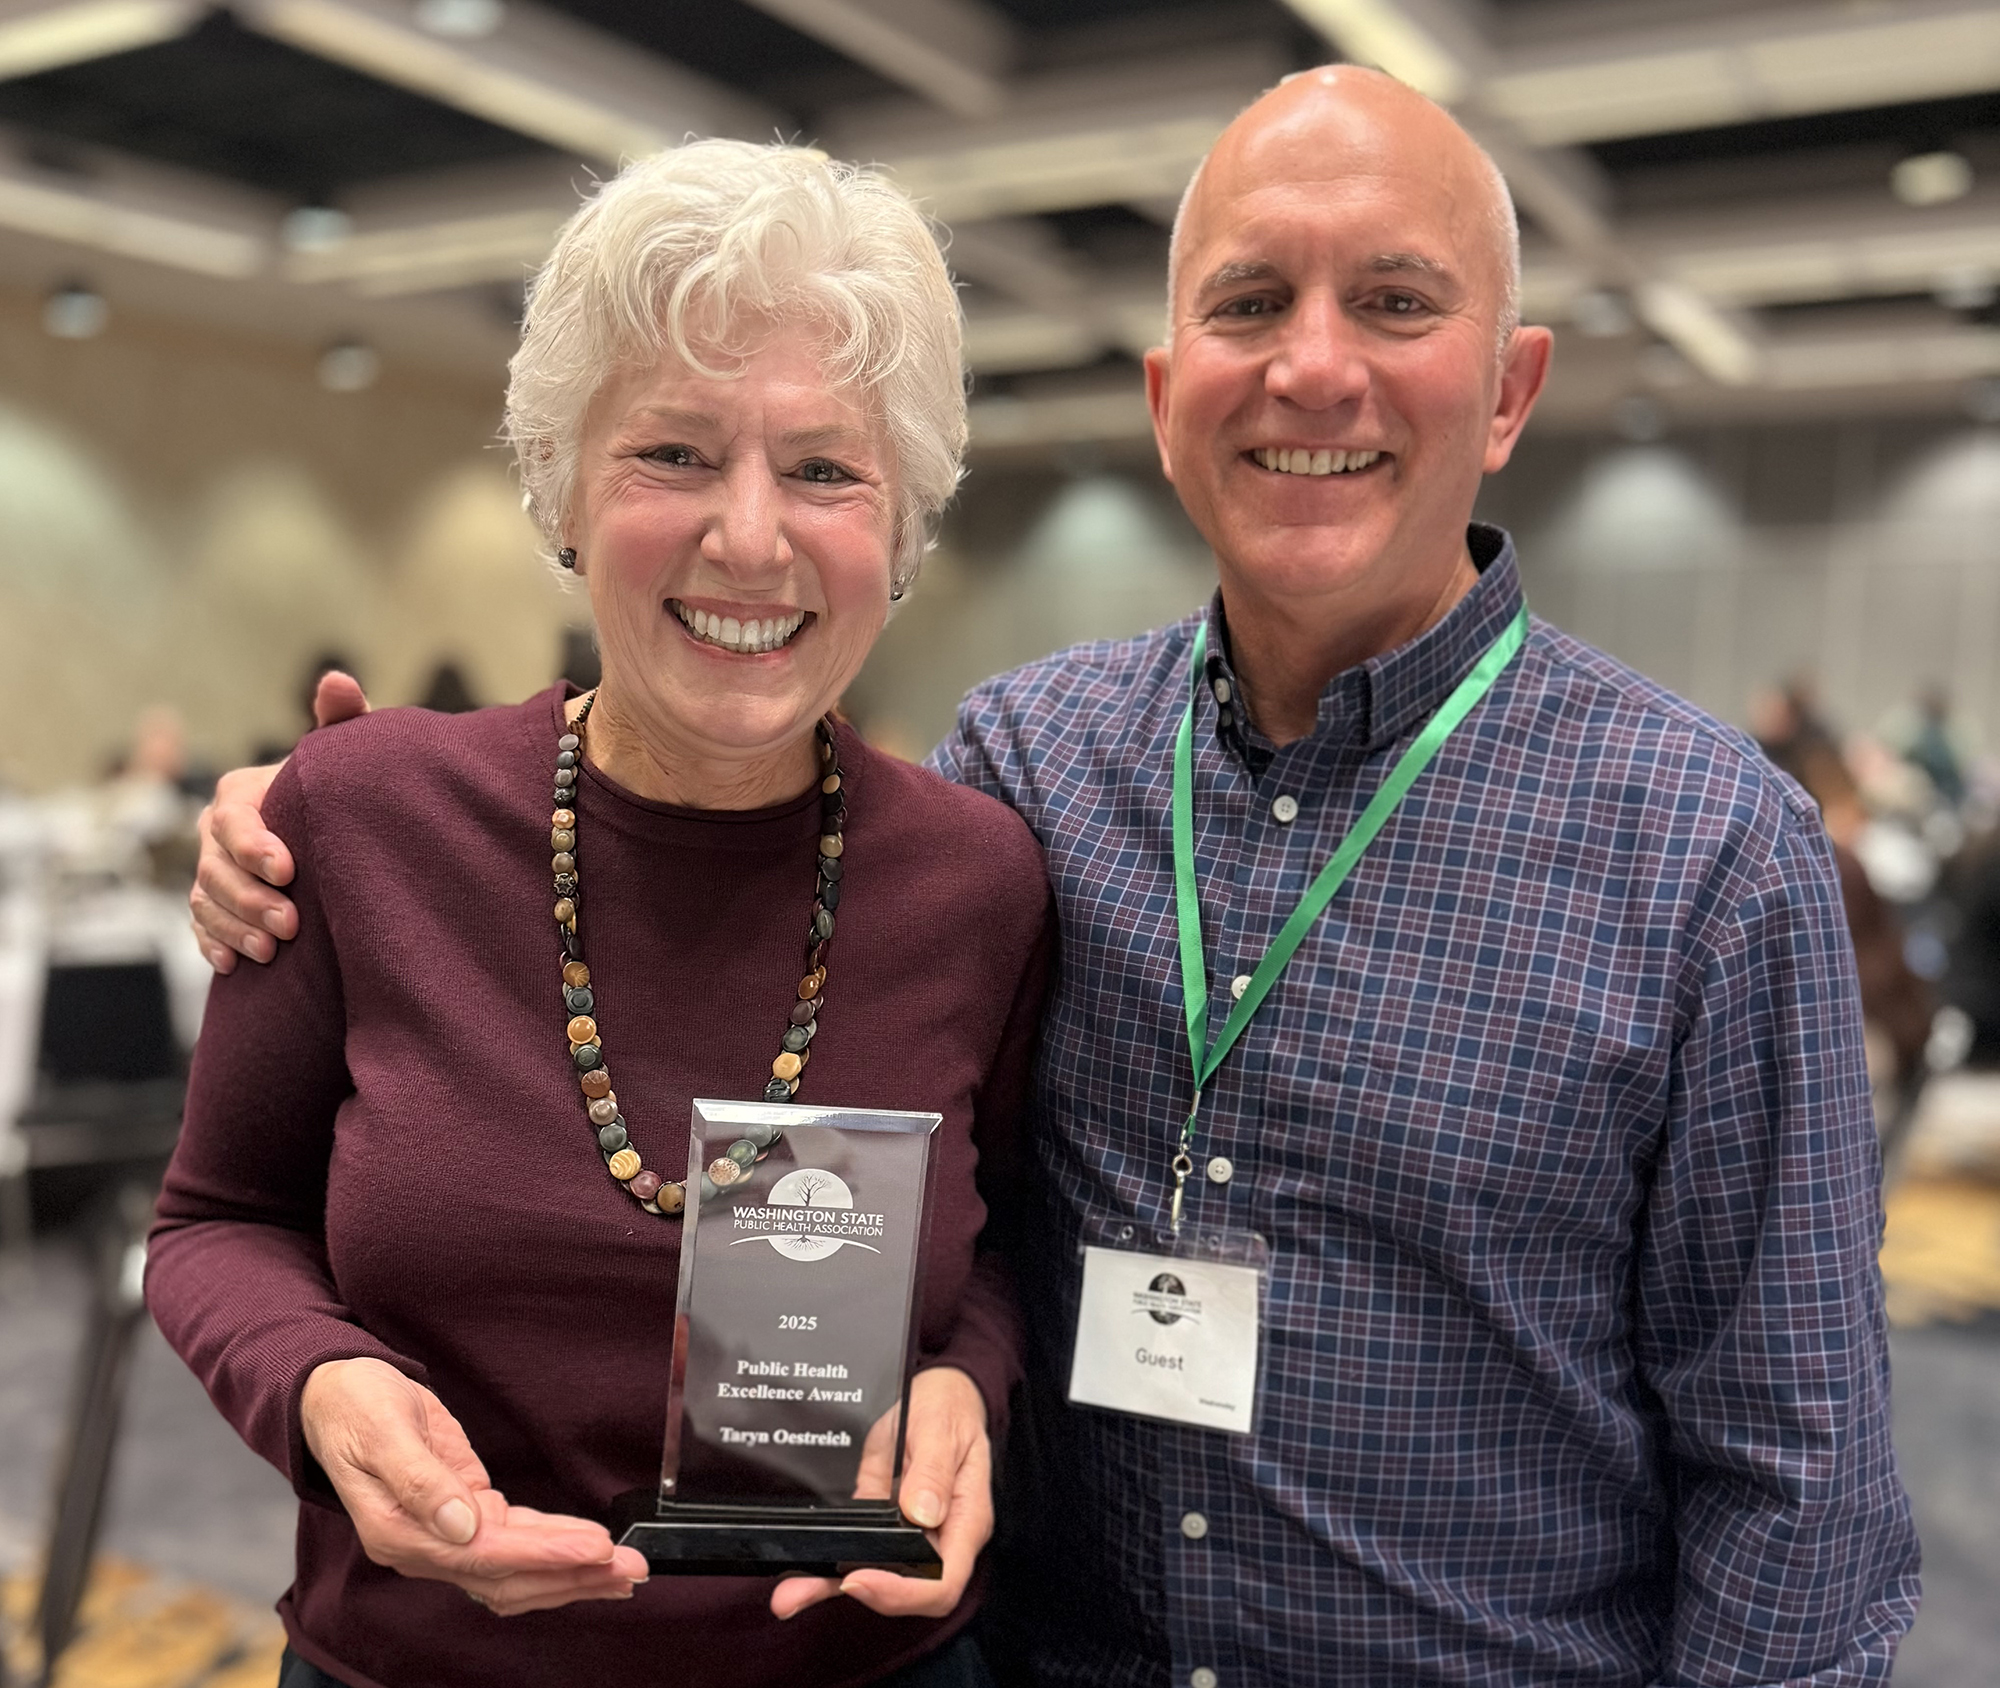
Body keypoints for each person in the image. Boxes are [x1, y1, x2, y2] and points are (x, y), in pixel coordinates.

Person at [191, 69, 1919, 1687]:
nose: (1312, 369)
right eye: (1248, 305)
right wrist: (320, 820)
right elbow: (976, 1204)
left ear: (1512, 391)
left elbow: (1801, 1491)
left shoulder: (1705, 852)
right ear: (1170, 405)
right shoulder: (1032, 769)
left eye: (1395, 301)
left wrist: (959, 1365)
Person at [153, 139, 1053, 1688]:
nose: (753, 538)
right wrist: (318, 1382)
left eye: (827, 468)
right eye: (677, 455)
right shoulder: (359, 822)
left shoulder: (980, 881)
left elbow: (1008, 1246)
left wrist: (972, 1379)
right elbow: (217, 1221)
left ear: (900, 533)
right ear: (564, 489)